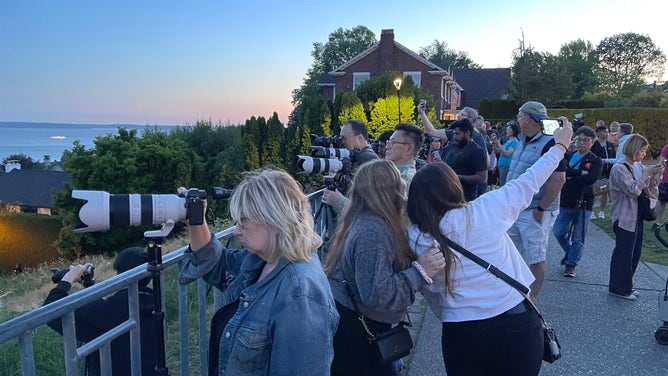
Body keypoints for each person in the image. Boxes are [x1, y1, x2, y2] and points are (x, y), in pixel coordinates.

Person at [406, 117, 573, 376]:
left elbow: (431, 290)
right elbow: (530, 180)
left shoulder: (417, 236)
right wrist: (560, 147)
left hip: (462, 330)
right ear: (452, 187)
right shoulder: (484, 209)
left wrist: (449, 314)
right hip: (515, 320)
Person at [178, 168, 338, 375]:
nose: (235, 230)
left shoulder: (301, 294)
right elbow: (218, 266)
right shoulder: (264, 259)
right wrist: (196, 220)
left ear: (274, 219)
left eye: (243, 221)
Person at [324, 159, 445, 376]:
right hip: (360, 335)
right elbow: (377, 294)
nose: (404, 184)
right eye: (398, 179)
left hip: (355, 328)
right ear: (387, 190)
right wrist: (420, 271)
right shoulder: (374, 231)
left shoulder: (366, 220)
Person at [43, 247, 156, 376]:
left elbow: (50, 310)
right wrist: (89, 286)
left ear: (121, 274)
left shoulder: (112, 311)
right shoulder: (152, 302)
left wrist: (68, 278)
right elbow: (105, 310)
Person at [506, 101, 567, 302]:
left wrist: (541, 208)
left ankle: (532, 299)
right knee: (510, 251)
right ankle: (512, 293)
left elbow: (558, 179)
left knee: (535, 256)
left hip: (534, 209)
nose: (517, 120)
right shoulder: (523, 139)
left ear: (528, 118)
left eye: (519, 116)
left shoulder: (550, 143)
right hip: (516, 207)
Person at [608, 135, 663, 300]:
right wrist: (647, 174)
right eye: (642, 150)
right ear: (633, 149)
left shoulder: (638, 167)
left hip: (637, 215)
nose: (644, 154)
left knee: (635, 253)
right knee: (623, 254)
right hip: (624, 216)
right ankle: (618, 288)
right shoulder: (619, 168)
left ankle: (627, 284)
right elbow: (632, 190)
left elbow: (648, 189)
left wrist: (654, 176)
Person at [553, 126, 602, 277]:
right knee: (559, 231)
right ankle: (570, 253)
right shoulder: (567, 156)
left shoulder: (595, 160)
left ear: (592, 142)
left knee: (578, 236)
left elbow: (590, 179)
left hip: (584, 201)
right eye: (578, 139)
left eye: (586, 140)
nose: (581, 143)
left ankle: (571, 264)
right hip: (566, 199)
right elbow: (561, 172)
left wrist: (571, 177)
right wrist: (578, 174)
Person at [322, 119, 378, 213]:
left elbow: (353, 193)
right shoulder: (362, 156)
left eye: (344, 138)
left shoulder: (365, 159)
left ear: (360, 138)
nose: (341, 142)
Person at [439, 118, 488, 201]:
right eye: (454, 133)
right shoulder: (451, 147)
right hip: (447, 193)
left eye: (457, 134)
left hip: (465, 196)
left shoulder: (477, 151)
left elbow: (482, 178)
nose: (454, 136)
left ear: (467, 133)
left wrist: (457, 177)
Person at [383, 123, 424, 190]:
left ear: (409, 149)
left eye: (393, 142)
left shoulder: (405, 179)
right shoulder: (394, 173)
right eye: (388, 142)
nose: (387, 147)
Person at [590, 124, 617, 219]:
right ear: (598, 133)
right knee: (594, 190)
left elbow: (614, 157)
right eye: (604, 132)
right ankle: (591, 211)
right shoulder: (594, 145)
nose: (606, 134)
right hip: (597, 171)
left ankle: (601, 211)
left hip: (608, 171)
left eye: (607, 132)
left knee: (606, 190)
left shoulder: (610, 145)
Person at [492, 120, 519, 186]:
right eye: (507, 129)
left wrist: (498, 143)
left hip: (506, 165)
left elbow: (508, 154)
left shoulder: (514, 142)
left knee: (503, 184)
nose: (507, 131)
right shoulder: (508, 141)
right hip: (502, 165)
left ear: (513, 131)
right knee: (501, 183)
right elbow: (498, 151)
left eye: (509, 129)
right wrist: (494, 143)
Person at [653, 143, 668, 230]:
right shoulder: (667, 147)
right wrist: (659, 176)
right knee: (662, 202)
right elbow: (661, 162)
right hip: (666, 179)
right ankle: (656, 222)